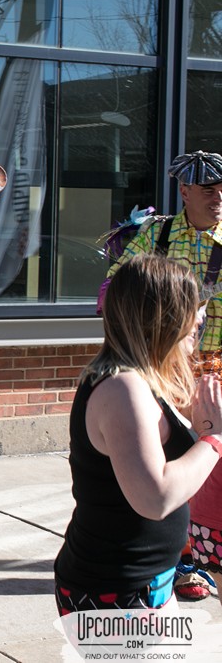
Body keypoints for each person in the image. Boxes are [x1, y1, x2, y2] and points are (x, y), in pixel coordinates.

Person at [55, 254, 222, 614]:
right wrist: (214, 439)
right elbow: (155, 498)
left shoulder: (144, 379)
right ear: (165, 319)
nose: (199, 323)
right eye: (194, 317)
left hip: (146, 581)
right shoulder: (122, 389)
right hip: (114, 591)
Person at [100, 150, 222, 601]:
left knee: (214, 468)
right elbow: (116, 286)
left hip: (218, 368)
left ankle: (208, 554)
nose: (219, 197)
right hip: (167, 368)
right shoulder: (158, 232)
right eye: (209, 190)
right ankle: (183, 559)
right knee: (175, 461)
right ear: (185, 192)